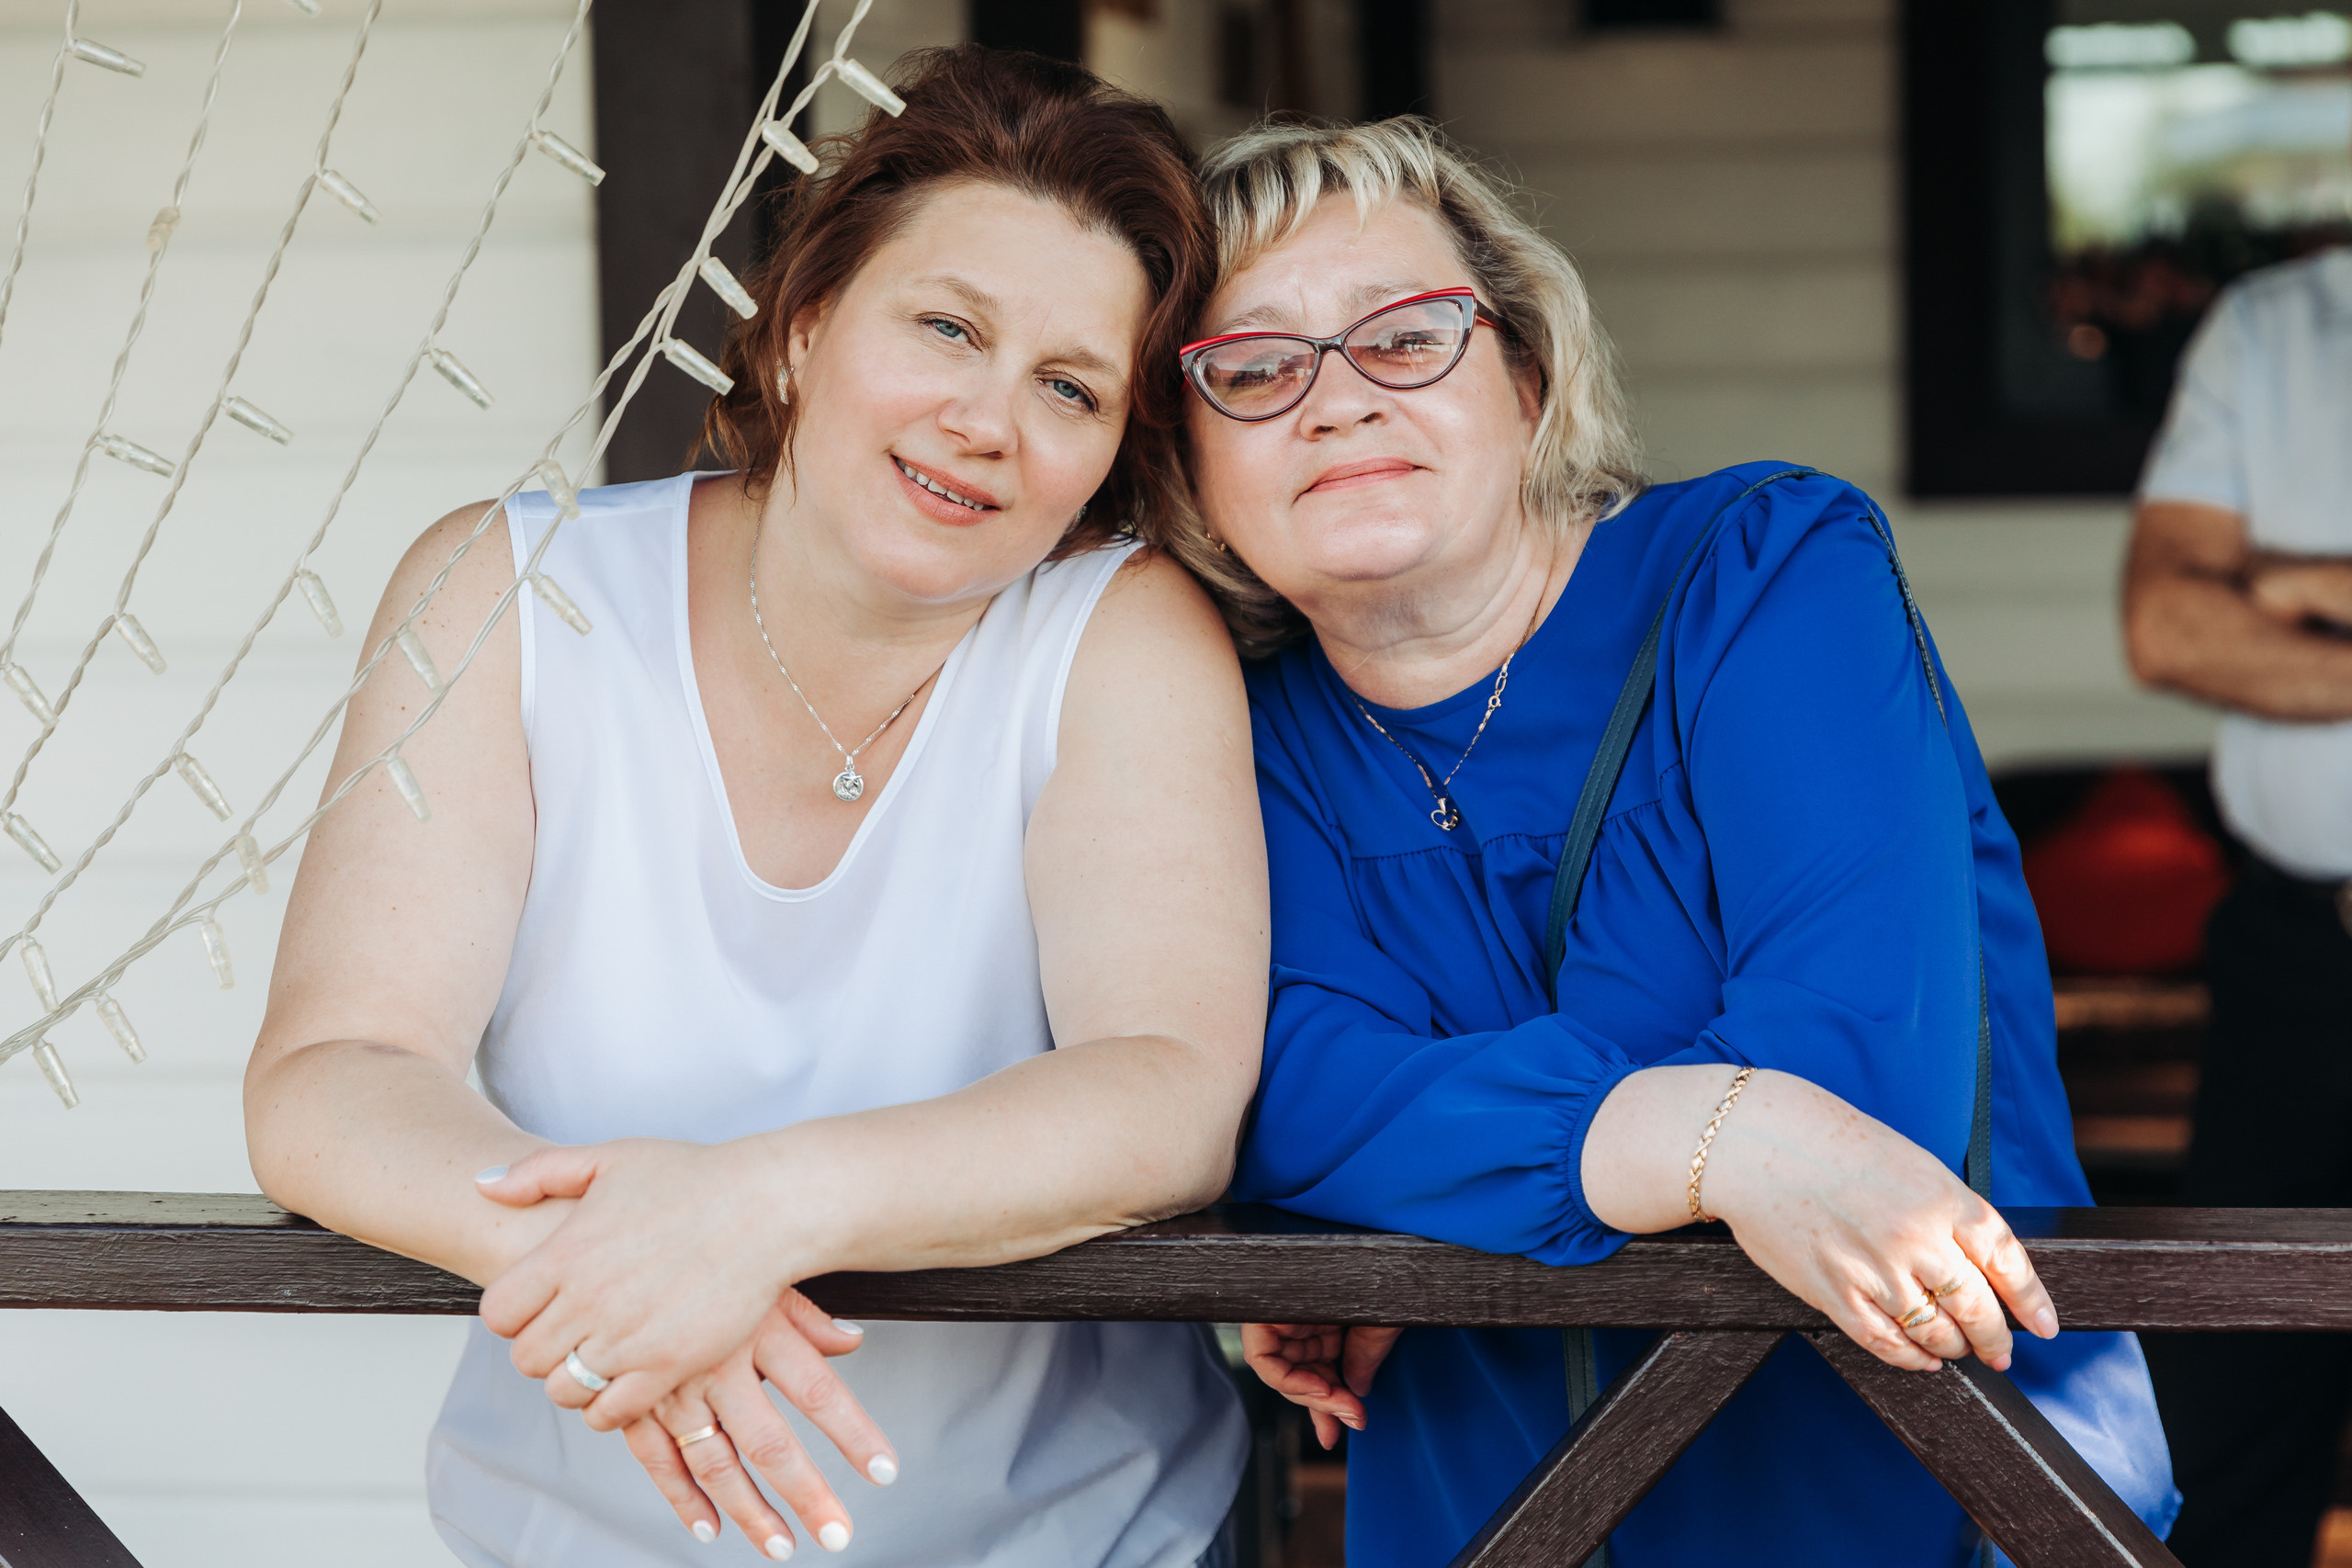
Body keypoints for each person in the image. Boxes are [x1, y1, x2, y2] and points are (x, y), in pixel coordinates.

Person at [242, 47, 1266, 1568]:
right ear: (799, 332)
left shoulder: (1117, 635)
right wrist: (629, 1275)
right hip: (577, 1537)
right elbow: (335, 1072)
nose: (990, 417)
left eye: (1069, 385)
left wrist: (758, 1212)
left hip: (1081, 1535)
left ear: (1111, 452)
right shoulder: (511, 596)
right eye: (947, 328)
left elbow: (1166, 1089)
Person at [1175, 118, 2179, 1565]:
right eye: (1253, 369)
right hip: (1496, 1516)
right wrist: (1720, 1133)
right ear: (1189, 456)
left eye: (1406, 336)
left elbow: (1856, 1077)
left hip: (1929, 1481)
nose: (1335, 403)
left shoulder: (1764, 576)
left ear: (1525, 376)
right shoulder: (1239, 729)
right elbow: (1281, 1098)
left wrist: (1445, 1153)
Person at [2124, 243, 2352, 1566]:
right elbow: (2168, 625)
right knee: (2231, 1431)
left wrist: (2312, 589)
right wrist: (2244, 603)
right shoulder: (2275, 327)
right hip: (2299, 964)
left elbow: (2221, 617)